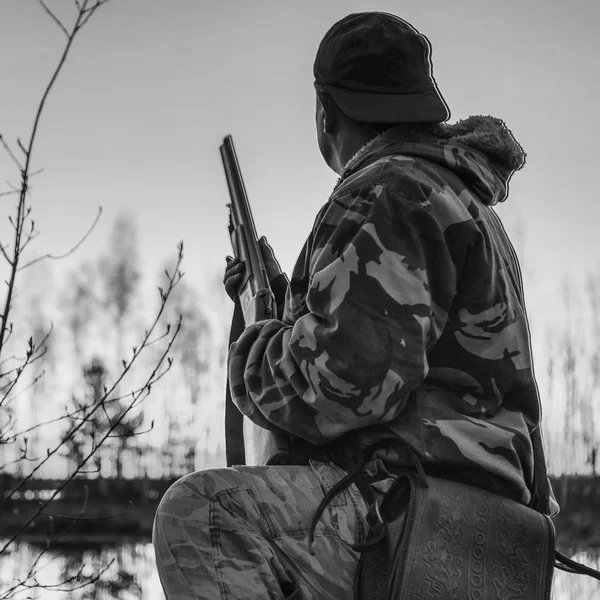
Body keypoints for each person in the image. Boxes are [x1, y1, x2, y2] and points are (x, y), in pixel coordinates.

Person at [153, 12, 558, 599]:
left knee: (203, 513)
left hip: (410, 512)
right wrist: (283, 304)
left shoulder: (389, 190)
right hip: (484, 527)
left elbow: (348, 382)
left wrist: (256, 344)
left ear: (326, 111)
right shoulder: (461, 199)